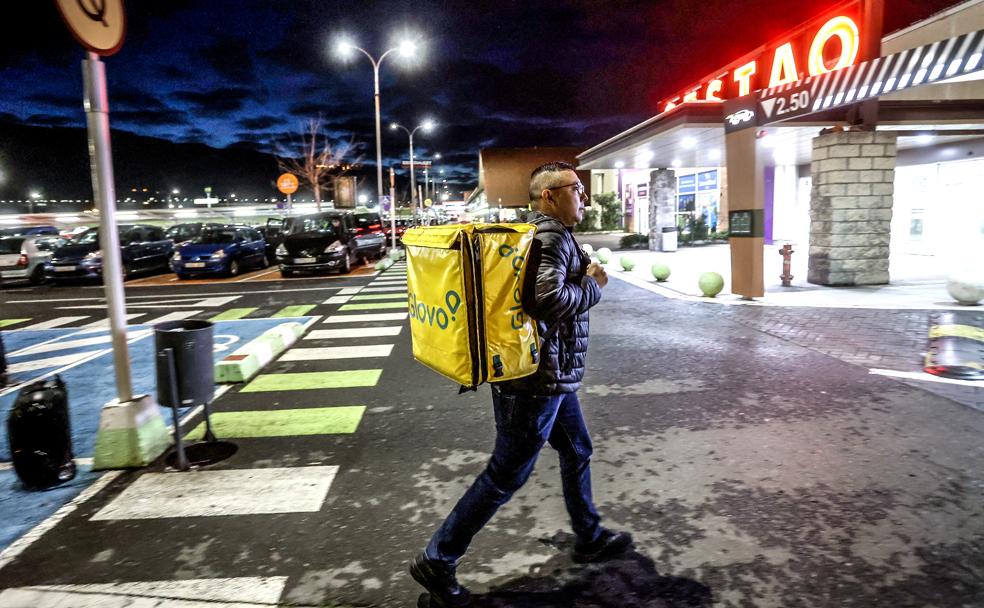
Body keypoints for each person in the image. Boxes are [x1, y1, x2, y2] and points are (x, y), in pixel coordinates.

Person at [409, 162, 632, 606]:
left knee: (577, 449)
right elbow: (545, 299)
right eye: (576, 189)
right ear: (548, 195)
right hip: (534, 381)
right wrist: (593, 286)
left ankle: (588, 535)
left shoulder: (542, 233)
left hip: (551, 375)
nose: (584, 197)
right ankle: (439, 559)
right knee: (504, 475)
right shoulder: (550, 236)